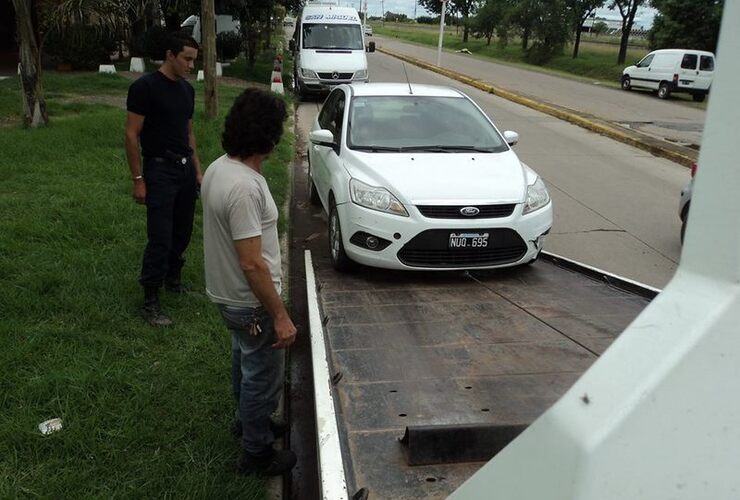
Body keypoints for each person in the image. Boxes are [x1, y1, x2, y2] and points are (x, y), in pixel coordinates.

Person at [201, 88, 298, 476]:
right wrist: (280, 316)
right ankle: (256, 453)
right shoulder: (244, 188)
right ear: (269, 136)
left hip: (230, 300)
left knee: (244, 361)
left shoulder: (220, 167)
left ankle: (248, 425)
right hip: (251, 301)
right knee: (261, 376)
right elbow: (252, 263)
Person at [124, 32, 202, 326]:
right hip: (158, 170)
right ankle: (150, 300)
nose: (191, 66)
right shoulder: (145, 88)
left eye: (193, 60)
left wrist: (197, 170)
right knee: (160, 235)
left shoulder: (187, 91)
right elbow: (132, 134)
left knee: (182, 232)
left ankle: (173, 279)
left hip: (184, 170)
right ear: (170, 55)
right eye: (187, 59)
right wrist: (138, 179)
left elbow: (189, 133)